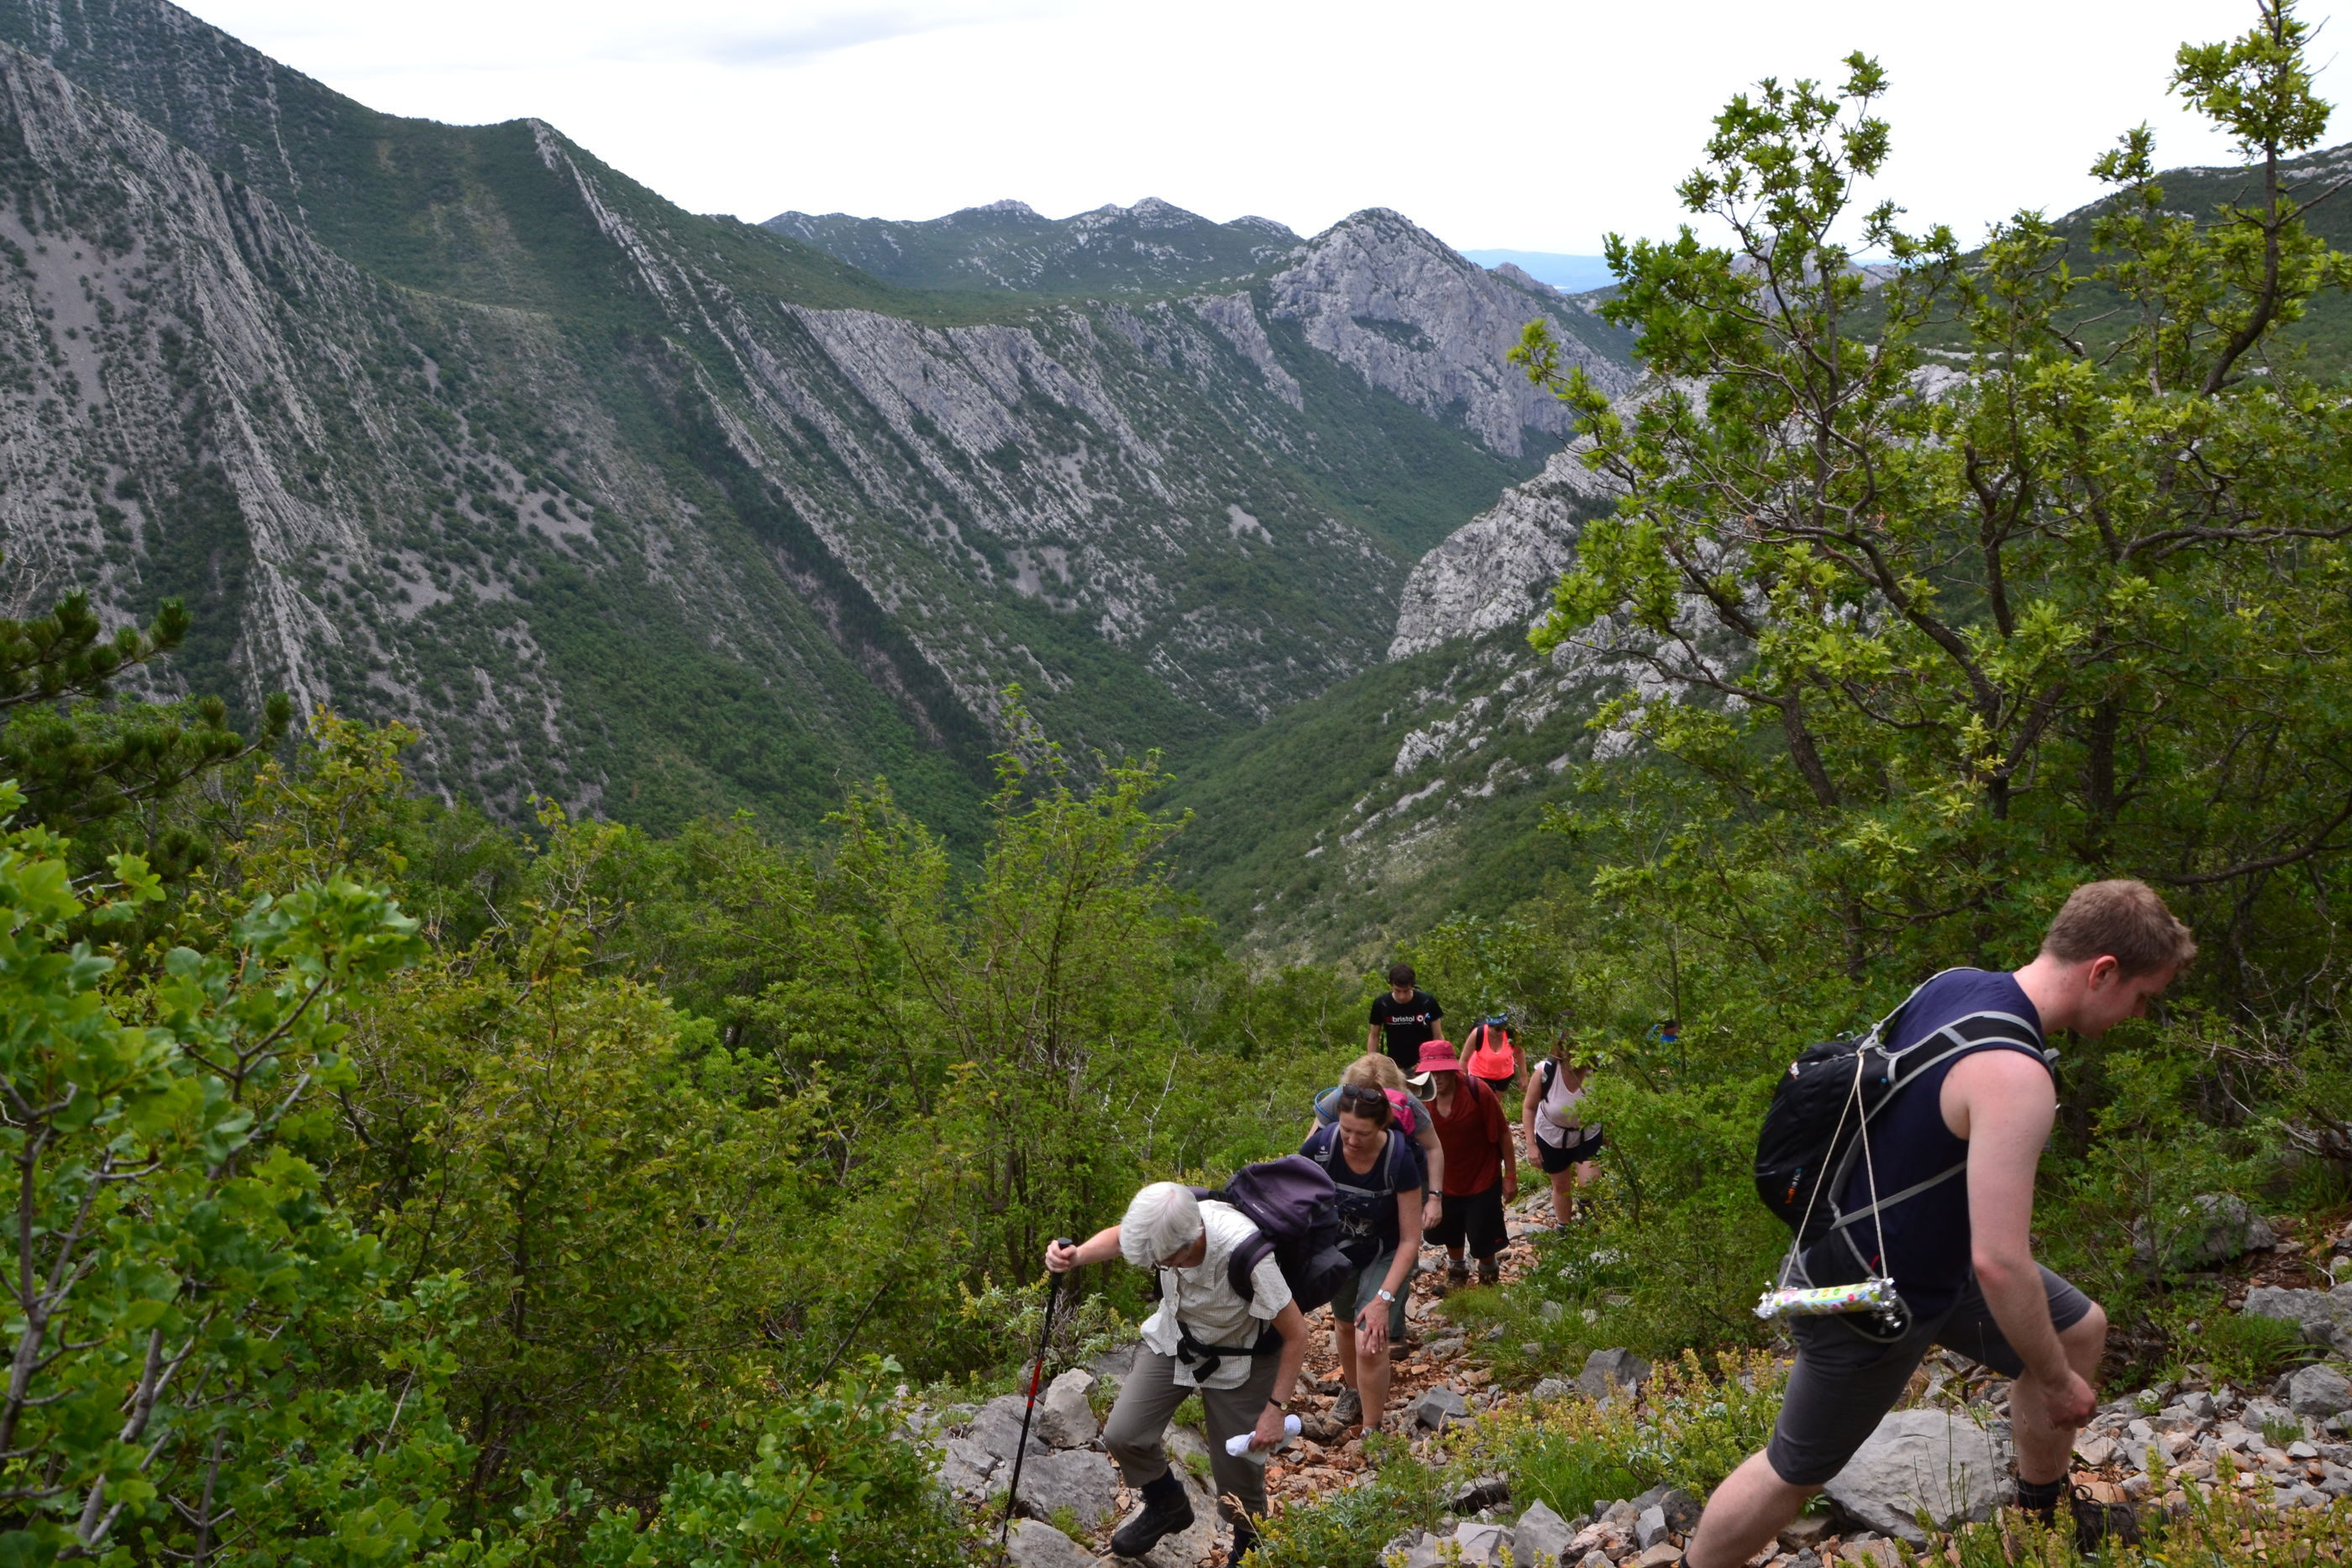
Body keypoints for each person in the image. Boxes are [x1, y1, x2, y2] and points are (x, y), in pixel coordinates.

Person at [1683, 880, 2197, 1568]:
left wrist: (2054, 1359)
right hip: (1869, 1295)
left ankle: (2041, 1521)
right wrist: (2054, 1381)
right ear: (2102, 970)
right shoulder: (2015, 1075)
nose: (2139, 1013)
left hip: (1923, 1258)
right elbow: (2001, 1262)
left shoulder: (1954, 983)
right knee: (1794, 1469)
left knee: (2078, 1328)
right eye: (2142, 995)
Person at [1047, 1183, 1310, 1565]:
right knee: (1124, 1434)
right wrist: (1077, 1256)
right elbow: (1122, 1238)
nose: (1159, 1267)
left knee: (1237, 1469)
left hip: (1242, 1356)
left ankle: (1249, 1548)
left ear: (1191, 1242)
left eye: (1165, 1262)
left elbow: (1297, 1333)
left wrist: (1275, 1409)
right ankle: (1167, 1504)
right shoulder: (1164, 1221)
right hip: (1177, 1338)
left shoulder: (1246, 1254)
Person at [1300, 1085, 1423, 1433]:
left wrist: (1383, 1300)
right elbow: (1295, 1198)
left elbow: (1410, 1239)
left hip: (1387, 1251)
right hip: (1338, 1250)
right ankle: (1353, 1391)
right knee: (1343, 1323)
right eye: (1346, 1130)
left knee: (1369, 1340)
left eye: (1362, 1134)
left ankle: (1372, 1429)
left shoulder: (1399, 1160)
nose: (1352, 1141)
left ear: (1382, 1126)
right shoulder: (1321, 1148)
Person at [1410, 1038, 1517, 1290]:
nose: (1436, 1077)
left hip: (1482, 1175)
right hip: (1442, 1180)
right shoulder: (1420, 1098)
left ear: (1452, 1069)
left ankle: (1488, 1273)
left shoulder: (1478, 1092)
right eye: (1431, 1072)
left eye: (1441, 1071)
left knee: (1483, 1234)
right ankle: (1456, 1270)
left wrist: (1511, 1176)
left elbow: (1503, 1133)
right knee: (1449, 1228)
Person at [1311, 1053, 1447, 1223]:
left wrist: (1435, 1199)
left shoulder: (1408, 1103)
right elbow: (1311, 1148)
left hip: (1399, 1177)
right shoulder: (1340, 1098)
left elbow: (1433, 1147)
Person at [1523, 1035, 1602, 1226]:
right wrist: (1531, 1145)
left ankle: (1585, 1204)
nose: (1573, 1055)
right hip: (1552, 1135)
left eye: (1579, 1049)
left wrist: (1610, 1136)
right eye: (1569, 1049)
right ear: (1561, 1049)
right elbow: (1529, 1107)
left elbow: (1608, 1104)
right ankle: (1564, 1227)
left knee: (1590, 1183)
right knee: (1561, 1185)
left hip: (1587, 1133)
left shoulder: (1597, 1072)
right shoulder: (1546, 1071)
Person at [1368, 963, 1443, 1074]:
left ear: (1412, 985)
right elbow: (1374, 1036)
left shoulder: (1427, 1002)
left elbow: (1438, 1037)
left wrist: (1438, 1063)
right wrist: (1372, 1066)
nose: (1402, 996)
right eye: (1397, 991)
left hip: (1425, 1065)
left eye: (1406, 991)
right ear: (1391, 985)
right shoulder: (1382, 1004)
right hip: (1395, 1067)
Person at [1463, 1015, 1520, 1102]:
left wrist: (1523, 1077)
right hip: (1480, 1073)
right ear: (1489, 1026)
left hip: (1504, 1075)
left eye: (1504, 1027)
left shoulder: (1511, 1033)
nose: (1501, 1031)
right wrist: (1462, 1082)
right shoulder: (1478, 1033)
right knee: (1482, 1102)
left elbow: (1520, 1052)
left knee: (1495, 1103)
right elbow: (1464, 1059)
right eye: (1498, 1029)